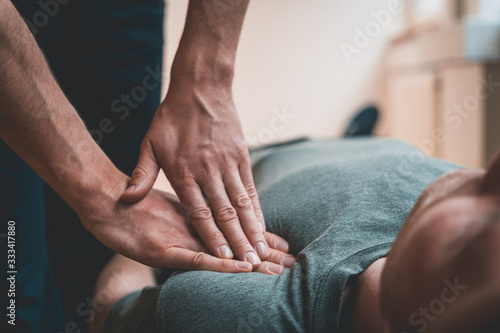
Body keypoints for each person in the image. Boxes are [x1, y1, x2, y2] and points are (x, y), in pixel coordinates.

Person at [0, 1, 283, 331]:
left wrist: (207, 75)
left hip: (124, 14)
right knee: (17, 296)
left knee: (88, 265)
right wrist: (99, 192)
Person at [91, 137, 500, 333]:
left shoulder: (234, 318)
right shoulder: (446, 190)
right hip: (318, 145)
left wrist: (141, 215)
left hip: (238, 159)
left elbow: (108, 309)